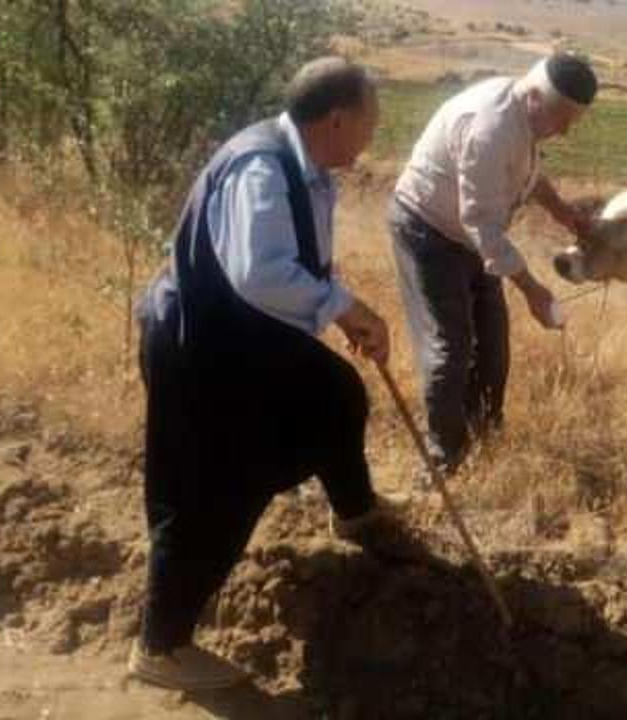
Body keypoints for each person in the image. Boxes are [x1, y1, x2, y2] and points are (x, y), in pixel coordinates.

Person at [128, 57, 423, 691]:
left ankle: (355, 511)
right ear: (338, 120)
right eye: (372, 123)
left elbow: (298, 267)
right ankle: (161, 647)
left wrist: (340, 309)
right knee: (218, 489)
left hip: (243, 334)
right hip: (201, 343)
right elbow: (260, 273)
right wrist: (343, 306)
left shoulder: (310, 168)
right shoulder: (263, 167)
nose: (375, 137)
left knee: (335, 393)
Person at [390, 53, 598, 477]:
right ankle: (444, 455)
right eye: (563, 117)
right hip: (428, 229)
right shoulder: (489, 126)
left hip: (469, 233)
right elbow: (481, 223)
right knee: (452, 346)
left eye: (573, 120)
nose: (567, 129)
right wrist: (533, 290)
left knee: (493, 344)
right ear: (537, 97)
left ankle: (484, 434)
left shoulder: (526, 115)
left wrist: (563, 213)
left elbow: (527, 174)